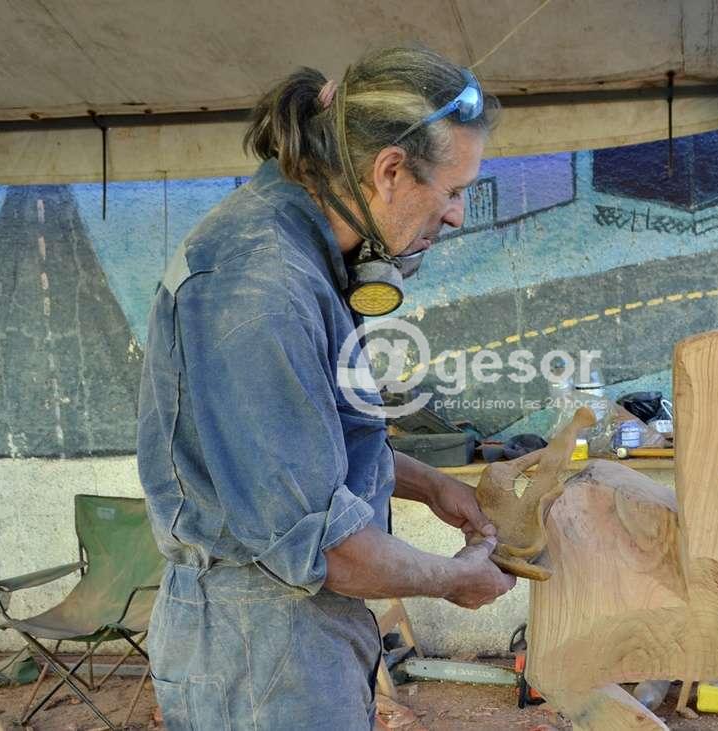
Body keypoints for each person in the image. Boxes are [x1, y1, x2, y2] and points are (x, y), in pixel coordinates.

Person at [136, 46, 516, 729]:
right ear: (390, 171)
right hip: (259, 648)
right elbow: (324, 546)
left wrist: (432, 484)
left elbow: (309, 444)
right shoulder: (260, 286)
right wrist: (453, 578)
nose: (458, 215)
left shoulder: (302, 254)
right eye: (454, 190)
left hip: (286, 630)